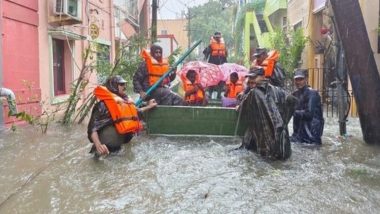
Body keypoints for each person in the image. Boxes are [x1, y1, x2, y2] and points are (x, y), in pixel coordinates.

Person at [88, 75, 157, 157]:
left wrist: (149, 106)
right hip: (103, 149)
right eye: (121, 84)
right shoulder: (102, 105)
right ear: (113, 86)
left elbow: (135, 113)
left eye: (125, 84)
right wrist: (98, 145)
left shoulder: (124, 102)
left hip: (118, 148)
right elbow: (92, 128)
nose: (124, 87)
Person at [238, 67, 297, 160]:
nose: (250, 80)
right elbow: (293, 101)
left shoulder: (254, 92)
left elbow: (242, 110)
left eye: (253, 77)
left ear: (262, 77)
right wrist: (284, 120)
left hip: (266, 144)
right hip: (282, 143)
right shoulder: (279, 90)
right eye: (249, 78)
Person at [291, 69, 324, 144]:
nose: (298, 82)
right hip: (299, 135)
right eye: (296, 79)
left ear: (306, 79)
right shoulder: (294, 94)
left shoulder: (312, 94)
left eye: (301, 79)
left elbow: (309, 114)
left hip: (312, 135)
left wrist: (293, 112)